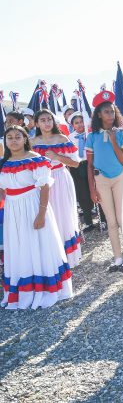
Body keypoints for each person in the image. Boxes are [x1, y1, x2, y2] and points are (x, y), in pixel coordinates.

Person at [0, 125, 73, 309]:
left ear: (25, 139)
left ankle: (44, 289)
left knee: (37, 244)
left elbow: (44, 186)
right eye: (10, 137)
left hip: (33, 206)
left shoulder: (35, 159)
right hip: (13, 210)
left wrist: (41, 214)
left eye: (18, 136)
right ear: (5, 141)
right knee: (19, 247)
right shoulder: (3, 163)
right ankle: (24, 290)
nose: (14, 140)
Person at [31, 109, 82, 267]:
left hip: (60, 179)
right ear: (37, 123)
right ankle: (50, 256)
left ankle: (67, 258)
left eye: (49, 119)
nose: (46, 123)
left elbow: (75, 163)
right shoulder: (31, 142)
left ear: (53, 121)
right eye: (43, 120)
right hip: (40, 184)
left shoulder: (62, 138)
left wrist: (57, 157)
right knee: (45, 217)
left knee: (63, 215)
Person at [86, 90, 123, 272]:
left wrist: (113, 140)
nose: (110, 115)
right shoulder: (92, 137)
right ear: (99, 115)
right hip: (100, 179)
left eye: (112, 111)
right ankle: (117, 257)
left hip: (119, 178)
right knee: (111, 221)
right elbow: (88, 165)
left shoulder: (121, 134)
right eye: (106, 112)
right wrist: (91, 189)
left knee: (122, 219)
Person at [68, 112, 100, 233]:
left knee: (97, 189)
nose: (80, 124)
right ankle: (88, 222)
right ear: (73, 125)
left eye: (81, 121)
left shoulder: (90, 134)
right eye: (76, 123)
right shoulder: (70, 138)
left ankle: (102, 219)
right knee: (83, 194)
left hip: (91, 164)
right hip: (78, 166)